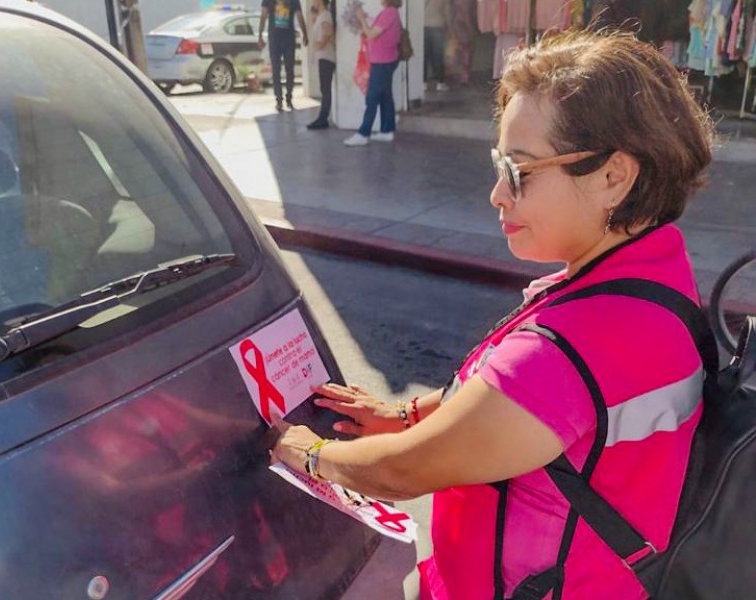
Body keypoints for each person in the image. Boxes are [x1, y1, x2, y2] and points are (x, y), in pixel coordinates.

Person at [273, 28, 714, 599]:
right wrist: (408, 412)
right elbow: (507, 398)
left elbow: (403, 471)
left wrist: (310, 453)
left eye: (519, 171)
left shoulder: (574, 347)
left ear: (613, 177)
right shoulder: (650, 277)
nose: (496, 195)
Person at [343, 0, 402, 147]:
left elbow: (370, 34)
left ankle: (364, 133)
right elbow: (376, 29)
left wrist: (361, 18)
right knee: (385, 96)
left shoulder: (389, 13)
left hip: (382, 62)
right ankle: (387, 130)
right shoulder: (389, 13)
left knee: (372, 97)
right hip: (385, 60)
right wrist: (366, 18)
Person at [258, 0, 308, 112]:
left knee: (282, 69)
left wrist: (305, 33)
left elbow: (264, 16)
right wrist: (305, 33)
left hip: (281, 38)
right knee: (284, 69)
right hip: (281, 39)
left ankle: (284, 98)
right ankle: (283, 99)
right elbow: (264, 15)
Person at [307, 0, 336, 130]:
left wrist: (321, 44)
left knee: (325, 88)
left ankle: (323, 118)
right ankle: (322, 117)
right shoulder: (321, 15)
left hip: (326, 56)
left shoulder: (325, 15)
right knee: (324, 87)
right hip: (323, 56)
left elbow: (329, 32)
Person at [424, 0, 450, 91]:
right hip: (438, 25)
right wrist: (449, 26)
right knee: (438, 56)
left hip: (423, 26)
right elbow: (447, 12)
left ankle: (423, 82)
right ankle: (440, 82)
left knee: (424, 56)